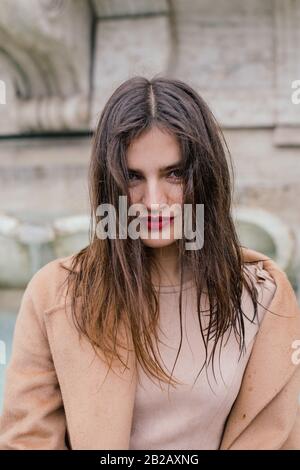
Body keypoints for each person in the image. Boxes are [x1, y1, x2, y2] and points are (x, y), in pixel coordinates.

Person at [0, 76, 299, 450]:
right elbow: (27, 442)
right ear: (110, 183)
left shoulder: (264, 297)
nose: (154, 201)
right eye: (133, 176)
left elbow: (277, 437)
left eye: (174, 173)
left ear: (204, 176)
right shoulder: (54, 296)